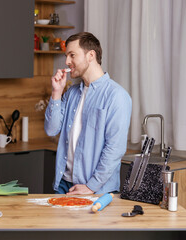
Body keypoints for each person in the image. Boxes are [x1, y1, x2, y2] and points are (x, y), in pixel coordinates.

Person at [44, 32, 132, 195]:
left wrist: (92, 186)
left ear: (90, 55)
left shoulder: (116, 96)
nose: (67, 62)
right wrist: (56, 93)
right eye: (66, 56)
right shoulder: (71, 93)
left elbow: (115, 148)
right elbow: (51, 129)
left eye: (72, 55)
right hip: (64, 184)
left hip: (96, 189)